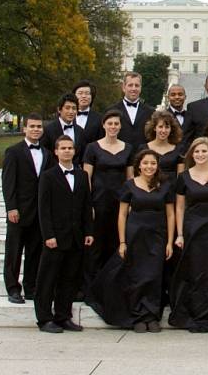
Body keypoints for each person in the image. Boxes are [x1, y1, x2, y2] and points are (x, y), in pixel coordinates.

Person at [86, 149, 175, 332]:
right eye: (145, 163)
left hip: (158, 234)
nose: (149, 166)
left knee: (154, 276)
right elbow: (122, 215)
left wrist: (169, 242)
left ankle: (151, 316)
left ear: (157, 165)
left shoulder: (165, 185)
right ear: (139, 166)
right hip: (135, 234)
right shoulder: (129, 185)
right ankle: (138, 316)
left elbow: (171, 214)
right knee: (137, 276)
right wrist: (122, 242)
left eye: (152, 163)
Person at [169, 137, 208, 331]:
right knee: (195, 272)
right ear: (191, 155)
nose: (200, 155)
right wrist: (179, 234)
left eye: (204, 151)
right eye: (196, 152)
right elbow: (179, 207)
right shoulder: (184, 177)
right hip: (191, 229)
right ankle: (195, 314)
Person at [34, 136, 93, 333]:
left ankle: (63, 316)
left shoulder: (82, 175)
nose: (67, 151)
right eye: (63, 148)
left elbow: (86, 205)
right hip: (55, 238)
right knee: (48, 279)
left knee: (69, 279)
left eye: (70, 148)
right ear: (56, 152)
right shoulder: (48, 176)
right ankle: (44, 318)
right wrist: (48, 235)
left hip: (75, 236)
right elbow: (43, 209)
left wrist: (88, 231)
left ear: (74, 151)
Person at [2, 113, 54, 304]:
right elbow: (8, 183)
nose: (36, 130)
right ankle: (12, 288)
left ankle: (30, 287)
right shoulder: (13, 152)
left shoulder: (48, 154)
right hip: (19, 211)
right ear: (25, 128)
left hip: (39, 212)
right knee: (14, 251)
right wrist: (11, 207)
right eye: (32, 126)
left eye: (39, 127)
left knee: (34, 252)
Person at [82, 110, 135, 288]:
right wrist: (88, 204)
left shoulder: (128, 148)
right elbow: (86, 177)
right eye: (110, 123)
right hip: (98, 201)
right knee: (96, 243)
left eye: (116, 124)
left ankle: (112, 285)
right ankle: (92, 286)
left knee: (116, 242)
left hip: (119, 203)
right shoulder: (92, 148)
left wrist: (130, 203)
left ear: (120, 126)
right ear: (104, 125)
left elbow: (130, 179)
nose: (113, 127)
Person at [108, 72, 155, 148]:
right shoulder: (111, 111)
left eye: (137, 85)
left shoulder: (150, 112)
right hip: (118, 156)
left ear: (140, 88)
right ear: (123, 87)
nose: (134, 89)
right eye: (130, 85)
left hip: (143, 156)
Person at [139, 110, 184, 187]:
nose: (163, 130)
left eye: (167, 127)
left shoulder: (179, 149)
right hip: (149, 190)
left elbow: (180, 178)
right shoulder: (143, 148)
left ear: (171, 129)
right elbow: (139, 175)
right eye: (160, 127)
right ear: (154, 128)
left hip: (171, 192)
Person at [42, 93, 86, 165]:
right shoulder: (48, 130)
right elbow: (45, 155)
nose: (71, 112)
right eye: (67, 108)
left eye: (74, 108)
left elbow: (82, 155)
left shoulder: (80, 131)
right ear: (59, 109)